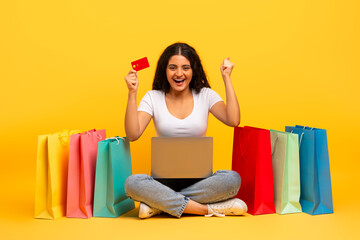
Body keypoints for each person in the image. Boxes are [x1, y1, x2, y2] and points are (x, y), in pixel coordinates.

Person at [124, 42, 247, 218]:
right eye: (172, 67)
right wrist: (132, 93)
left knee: (232, 179)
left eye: (185, 68)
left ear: (193, 70)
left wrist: (227, 78)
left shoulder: (205, 94)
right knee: (132, 183)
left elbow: (233, 120)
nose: (179, 73)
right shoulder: (153, 97)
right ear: (164, 70)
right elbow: (132, 134)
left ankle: (159, 204)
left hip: (201, 181)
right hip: (163, 182)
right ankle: (206, 209)